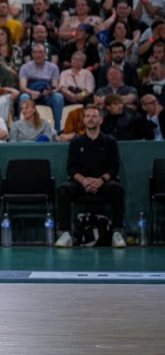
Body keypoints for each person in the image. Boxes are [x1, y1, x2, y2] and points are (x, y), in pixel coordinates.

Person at [54, 105, 126, 248]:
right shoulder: (76, 142)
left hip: (104, 182)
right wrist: (84, 180)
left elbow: (114, 167)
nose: (90, 119)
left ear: (101, 119)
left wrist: (100, 180)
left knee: (117, 189)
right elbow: (71, 168)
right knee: (63, 190)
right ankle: (66, 233)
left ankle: (116, 233)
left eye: (94, 116)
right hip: (81, 182)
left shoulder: (110, 141)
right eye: (87, 116)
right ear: (83, 120)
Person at [18, 43, 65, 128]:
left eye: (40, 52)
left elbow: (55, 87)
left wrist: (49, 92)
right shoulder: (25, 67)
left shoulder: (53, 67)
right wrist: (32, 92)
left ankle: (58, 130)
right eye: (35, 52)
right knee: (23, 97)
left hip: (47, 95)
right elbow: (22, 87)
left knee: (58, 97)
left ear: (45, 54)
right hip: (31, 94)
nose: (37, 55)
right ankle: (22, 128)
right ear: (32, 54)